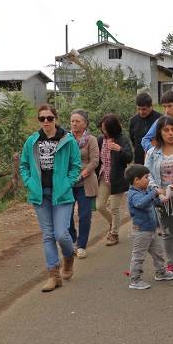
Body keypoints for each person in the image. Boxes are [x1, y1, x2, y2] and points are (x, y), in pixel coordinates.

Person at [19, 105, 81, 292]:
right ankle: (53, 275)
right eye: (42, 118)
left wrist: (67, 183)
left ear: (56, 119)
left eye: (49, 118)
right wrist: (29, 182)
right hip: (40, 195)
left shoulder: (68, 140)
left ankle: (68, 257)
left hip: (62, 195)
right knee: (47, 235)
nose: (46, 121)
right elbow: (24, 165)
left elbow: (75, 166)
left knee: (61, 234)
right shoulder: (32, 141)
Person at [145, 116, 173, 275]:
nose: (170, 133)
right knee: (167, 231)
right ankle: (171, 262)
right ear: (160, 133)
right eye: (166, 130)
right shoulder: (152, 153)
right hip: (163, 198)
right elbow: (147, 174)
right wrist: (156, 189)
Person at [124, 164, 173, 289]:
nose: (148, 179)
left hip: (151, 229)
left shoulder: (144, 191)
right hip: (141, 231)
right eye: (146, 177)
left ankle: (161, 272)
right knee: (138, 256)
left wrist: (162, 199)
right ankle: (135, 280)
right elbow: (140, 203)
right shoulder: (134, 194)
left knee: (158, 252)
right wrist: (154, 192)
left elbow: (152, 202)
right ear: (136, 180)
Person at [96, 114, 133, 245]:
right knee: (99, 206)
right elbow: (97, 160)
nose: (103, 131)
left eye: (106, 129)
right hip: (103, 177)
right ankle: (113, 223)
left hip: (117, 178)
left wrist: (119, 149)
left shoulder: (121, 140)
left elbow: (129, 157)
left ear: (113, 128)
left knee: (114, 208)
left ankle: (114, 234)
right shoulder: (100, 140)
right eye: (102, 128)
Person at [67, 109, 99, 259]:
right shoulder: (65, 139)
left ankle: (81, 245)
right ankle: (73, 240)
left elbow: (94, 161)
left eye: (77, 121)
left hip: (85, 182)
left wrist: (81, 175)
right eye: (72, 121)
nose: (74, 123)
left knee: (84, 215)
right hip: (68, 183)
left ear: (85, 124)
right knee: (67, 215)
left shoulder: (91, 140)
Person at [128, 92, 161, 165]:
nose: (141, 112)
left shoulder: (160, 119)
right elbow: (133, 139)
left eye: (144, 109)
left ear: (151, 107)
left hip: (156, 158)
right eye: (139, 109)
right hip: (139, 160)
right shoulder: (133, 120)